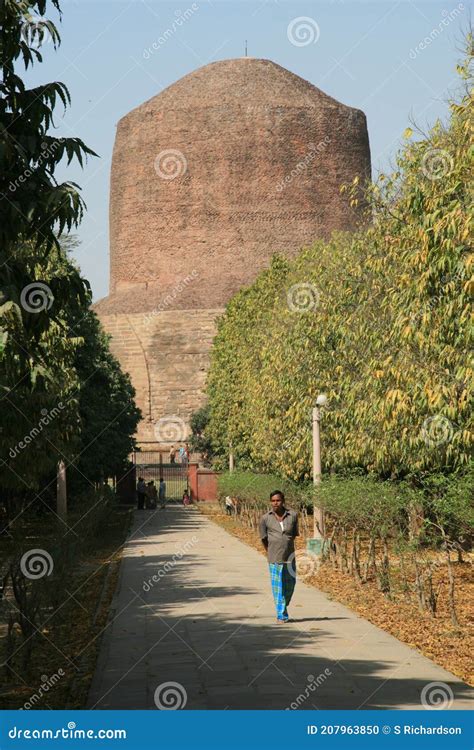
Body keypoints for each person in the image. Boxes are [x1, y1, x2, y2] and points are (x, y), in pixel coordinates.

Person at [259, 490, 299, 623]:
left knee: (290, 585)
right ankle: (281, 615)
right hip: (274, 558)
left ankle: (283, 605)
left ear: (283, 501)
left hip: (290, 557)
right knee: (278, 588)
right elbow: (264, 538)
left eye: (278, 500)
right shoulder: (265, 518)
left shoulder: (292, 515)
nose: (276, 503)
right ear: (270, 502)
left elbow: (293, 535)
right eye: (273, 501)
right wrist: (270, 550)